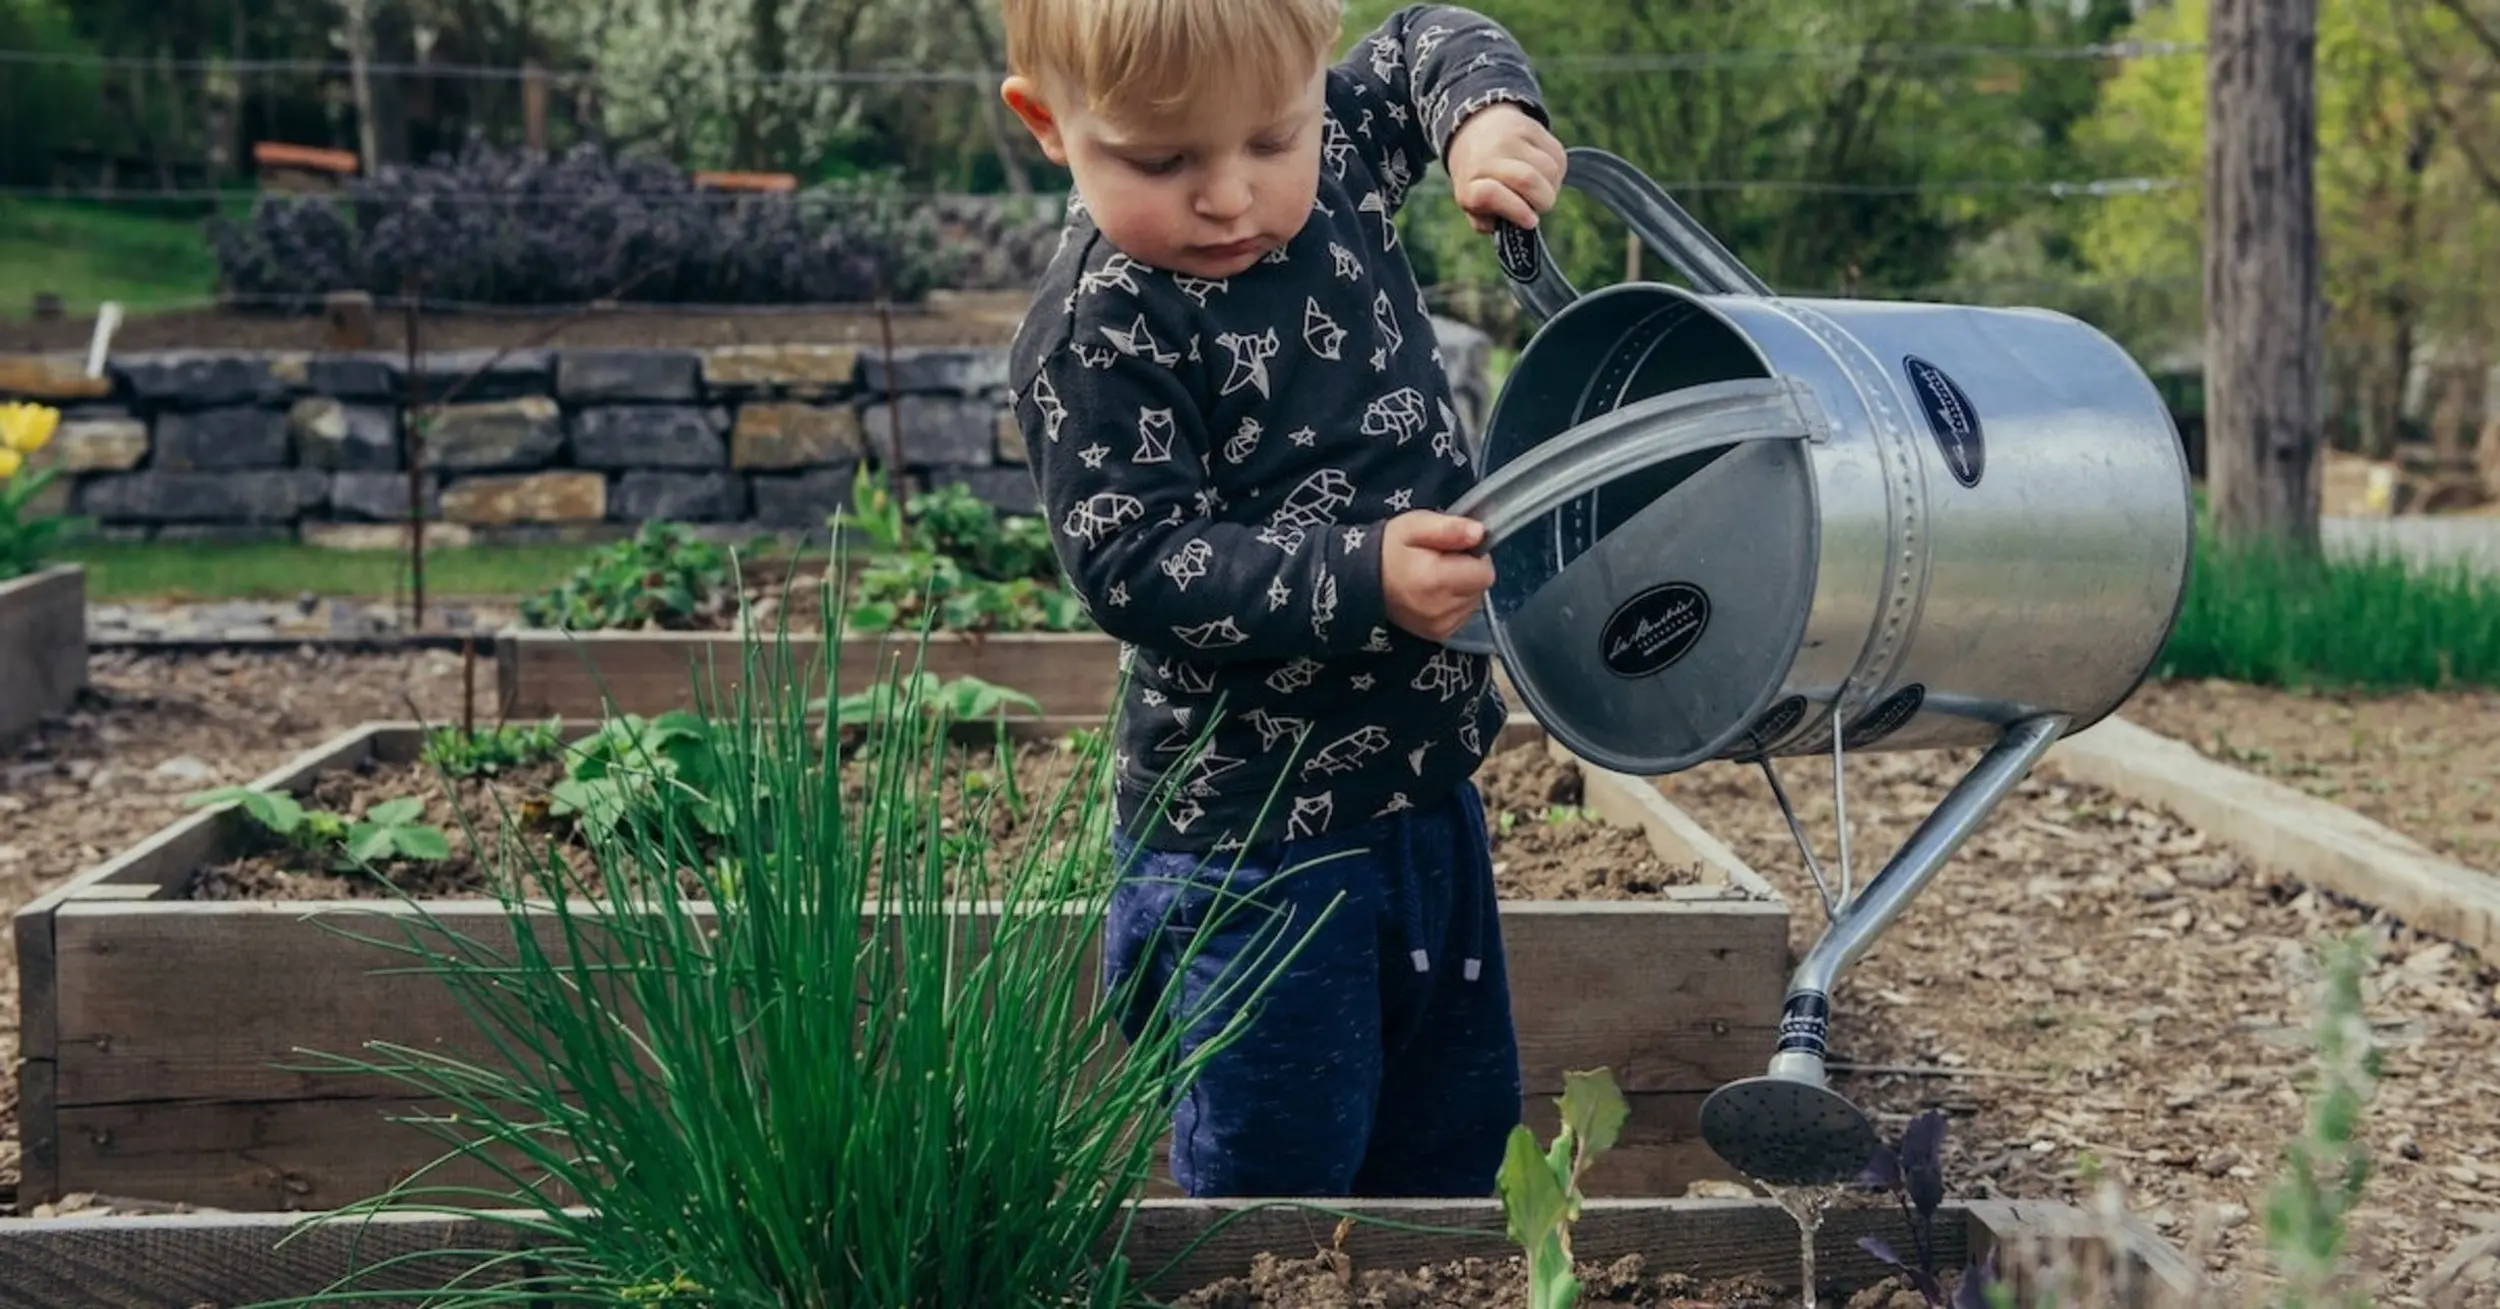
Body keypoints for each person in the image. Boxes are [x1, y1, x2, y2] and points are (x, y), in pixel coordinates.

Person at [997, 0, 1567, 1199]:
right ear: (1048, 125)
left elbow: (1423, 40)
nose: (1229, 195)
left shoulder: (1340, 144)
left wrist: (1482, 121)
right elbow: (1134, 559)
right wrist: (1363, 576)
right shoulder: (1102, 327)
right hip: (1251, 847)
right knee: (1279, 1177)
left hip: (1426, 792)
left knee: (1451, 1140)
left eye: (1271, 139)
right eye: (1162, 160)